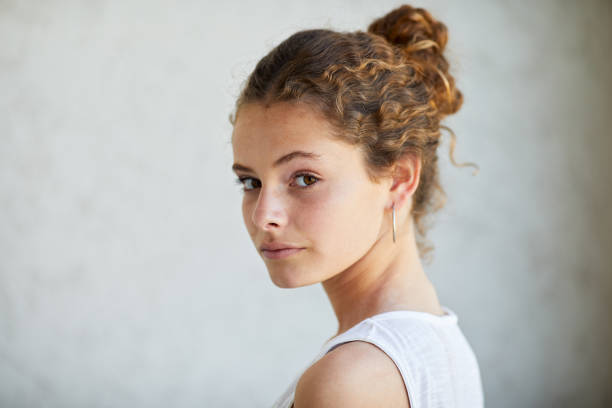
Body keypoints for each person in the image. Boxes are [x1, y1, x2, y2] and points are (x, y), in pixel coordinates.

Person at [229, 4, 484, 407]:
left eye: (305, 179)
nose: (264, 216)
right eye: (250, 182)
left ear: (399, 178)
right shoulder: (436, 345)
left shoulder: (351, 380)